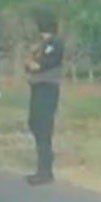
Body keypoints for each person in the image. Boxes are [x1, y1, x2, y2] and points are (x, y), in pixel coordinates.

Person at [25, 11, 63, 186]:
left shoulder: (55, 44)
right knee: (34, 122)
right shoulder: (40, 45)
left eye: (44, 30)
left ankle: (45, 170)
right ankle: (43, 165)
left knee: (43, 125)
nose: (42, 34)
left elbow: (44, 63)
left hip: (48, 87)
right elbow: (30, 62)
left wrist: (35, 65)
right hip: (37, 86)